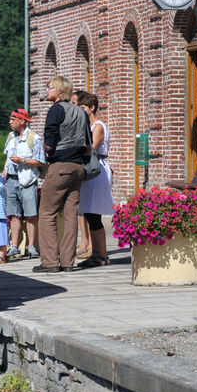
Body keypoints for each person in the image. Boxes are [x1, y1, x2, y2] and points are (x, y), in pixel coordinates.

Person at [34, 76, 89, 273]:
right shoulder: (81, 112)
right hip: (78, 167)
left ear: (58, 90)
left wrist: (40, 147)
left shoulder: (56, 110)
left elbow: (49, 142)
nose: (47, 91)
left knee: (47, 213)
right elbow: (88, 146)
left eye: (49, 88)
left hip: (60, 166)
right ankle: (68, 263)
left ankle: (49, 262)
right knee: (70, 215)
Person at [76, 92, 115, 268]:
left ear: (92, 108)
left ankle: (102, 255)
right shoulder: (86, 126)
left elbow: (91, 148)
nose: (81, 111)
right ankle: (95, 253)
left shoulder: (98, 126)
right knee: (89, 214)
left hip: (97, 170)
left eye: (83, 108)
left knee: (95, 214)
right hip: (89, 170)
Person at [2, 108, 45, 259]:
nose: (10, 122)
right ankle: (14, 247)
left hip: (27, 181)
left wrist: (23, 161)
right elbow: (7, 158)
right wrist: (3, 174)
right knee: (14, 215)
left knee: (31, 215)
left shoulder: (34, 138)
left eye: (13, 119)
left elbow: (40, 161)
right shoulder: (10, 136)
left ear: (22, 121)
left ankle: (31, 247)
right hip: (11, 180)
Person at [71, 90, 91, 259]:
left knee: (90, 211)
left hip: (91, 169)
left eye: (79, 105)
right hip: (82, 167)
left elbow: (91, 148)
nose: (76, 109)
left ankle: (90, 245)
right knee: (82, 209)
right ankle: (84, 242)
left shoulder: (97, 126)